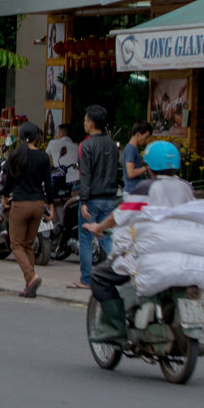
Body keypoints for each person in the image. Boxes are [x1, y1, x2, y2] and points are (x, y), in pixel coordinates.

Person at [82, 140, 196, 343]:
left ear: (149, 166)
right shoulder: (185, 187)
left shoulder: (146, 187)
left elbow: (120, 216)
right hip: (180, 254)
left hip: (150, 255)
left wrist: (98, 227)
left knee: (99, 276)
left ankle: (116, 329)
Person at [70, 104, 121, 289]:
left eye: (85, 120)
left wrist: (83, 201)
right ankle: (122, 271)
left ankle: (86, 279)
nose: (84, 123)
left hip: (91, 198)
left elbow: (85, 175)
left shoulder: (86, 146)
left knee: (85, 238)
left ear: (91, 123)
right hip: (109, 198)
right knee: (107, 236)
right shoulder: (113, 146)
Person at [1, 121, 53, 298]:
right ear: (37, 138)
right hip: (38, 204)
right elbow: (49, 183)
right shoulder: (43, 157)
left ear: (21, 136)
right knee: (28, 245)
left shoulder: (15, 155)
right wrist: (51, 206)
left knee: (16, 245)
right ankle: (29, 286)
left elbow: (9, 181)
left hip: (21, 204)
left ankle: (32, 277)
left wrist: (4, 197)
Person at [46, 122, 78, 225]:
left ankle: (58, 227)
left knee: (53, 202)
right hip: (77, 185)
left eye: (56, 132)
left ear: (60, 133)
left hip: (60, 184)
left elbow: (48, 162)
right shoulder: (77, 147)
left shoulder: (52, 143)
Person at [122, 120, 152, 192]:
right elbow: (131, 173)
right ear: (138, 134)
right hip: (131, 191)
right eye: (146, 137)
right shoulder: (130, 149)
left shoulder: (133, 149)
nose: (146, 141)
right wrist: (146, 168)